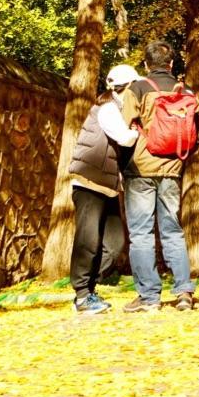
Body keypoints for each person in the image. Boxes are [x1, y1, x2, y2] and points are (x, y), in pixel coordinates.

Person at [121, 41, 199, 312]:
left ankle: (149, 298)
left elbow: (125, 129)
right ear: (172, 64)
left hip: (141, 169)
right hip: (173, 169)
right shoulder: (186, 92)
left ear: (145, 65)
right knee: (172, 231)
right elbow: (195, 134)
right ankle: (184, 293)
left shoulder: (138, 88)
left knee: (141, 233)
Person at [68, 65, 138, 314]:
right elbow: (124, 138)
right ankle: (82, 295)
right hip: (88, 183)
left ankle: (90, 289)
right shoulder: (108, 109)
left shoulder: (120, 109)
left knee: (115, 243)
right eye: (134, 87)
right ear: (125, 87)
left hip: (107, 186)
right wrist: (139, 132)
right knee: (88, 240)